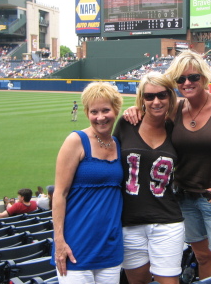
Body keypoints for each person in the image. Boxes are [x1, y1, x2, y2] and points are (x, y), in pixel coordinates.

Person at [123, 50, 211, 280]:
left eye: (193, 77)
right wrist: (134, 108)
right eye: (180, 79)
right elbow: (151, 114)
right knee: (202, 257)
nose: (187, 83)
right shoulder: (175, 109)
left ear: (204, 77)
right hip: (184, 196)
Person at [112, 72, 184, 284]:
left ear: (170, 96)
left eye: (162, 95)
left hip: (167, 221)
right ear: (141, 99)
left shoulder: (176, 130)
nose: (156, 101)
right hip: (129, 222)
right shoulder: (126, 124)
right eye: (149, 96)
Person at [52, 82, 124, 282]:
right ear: (87, 112)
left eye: (106, 110)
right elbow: (59, 194)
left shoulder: (118, 143)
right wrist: (59, 242)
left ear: (116, 109)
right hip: (76, 247)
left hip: (110, 248)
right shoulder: (76, 141)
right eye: (94, 111)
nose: (100, 117)